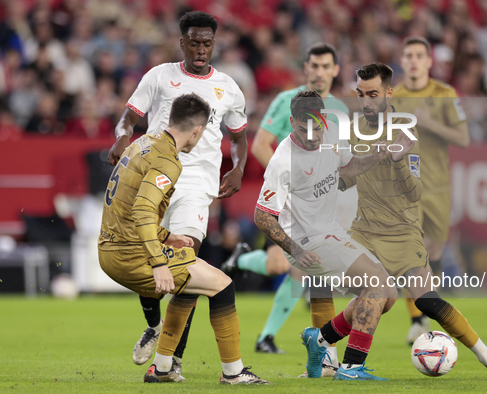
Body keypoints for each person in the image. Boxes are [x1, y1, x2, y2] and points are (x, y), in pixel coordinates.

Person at [340, 62, 487, 378]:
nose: (365, 101)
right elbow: (343, 180)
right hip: (364, 231)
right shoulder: (353, 131)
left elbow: (414, 192)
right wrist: (366, 160)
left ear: (389, 93)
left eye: (372, 94)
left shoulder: (407, 131)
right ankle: (350, 367)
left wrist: (396, 162)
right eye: (360, 94)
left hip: (403, 232)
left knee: (428, 302)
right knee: (377, 293)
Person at [107, 11, 248, 372]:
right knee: (148, 250)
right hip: (157, 170)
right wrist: (123, 135)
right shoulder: (159, 76)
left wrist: (239, 167)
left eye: (207, 43)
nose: (201, 50)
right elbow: (130, 115)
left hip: (197, 182)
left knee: (185, 262)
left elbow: (239, 136)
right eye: (195, 42)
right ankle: (154, 325)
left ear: (213, 44)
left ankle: (170, 361)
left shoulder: (228, 87)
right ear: (182, 42)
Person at [99, 93, 267, 384]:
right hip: (130, 255)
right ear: (197, 131)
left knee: (191, 282)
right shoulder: (168, 160)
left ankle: (163, 368)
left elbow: (126, 207)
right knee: (223, 286)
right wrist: (158, 263)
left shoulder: (141, 143)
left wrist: (168, 236)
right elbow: (142, 210)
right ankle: (234, 373)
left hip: (110, 249)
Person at [254, 90, 399, 380]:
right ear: (292, 122)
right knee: (376, 286)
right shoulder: (283, 161)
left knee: (389, 295)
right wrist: (295, 250)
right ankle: (351, 367)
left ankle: (319, 339)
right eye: (302, 127)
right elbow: (262, 215)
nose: (311, 135)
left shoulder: (333, 134)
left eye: (317, 126)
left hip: (331, 232)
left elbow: (351, 167)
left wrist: (378, 154)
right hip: (307, 241)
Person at [221, 42, 349, 367]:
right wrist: (293, 184)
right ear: (306, 68)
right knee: (288, 266)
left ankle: (267, 335)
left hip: (323, 204)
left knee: (299, 272)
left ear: (335, 70)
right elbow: (263, 144)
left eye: (326, 66)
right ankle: (244, 262)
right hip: (290, 201)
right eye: (314, 66)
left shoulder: (341, 109)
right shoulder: (286, 102)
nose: (319, 72)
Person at [391, 36, 470, 345]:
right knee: (414, 253)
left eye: (418, 56)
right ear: (403, 59)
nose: (412, 60)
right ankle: (417, 319)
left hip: (438, 187)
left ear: (428, 61)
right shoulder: (393, 97)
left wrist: (427, 122)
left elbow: (463, 138)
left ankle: (425, 312)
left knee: (434, 251)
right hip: (405, 187)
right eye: (408, 55)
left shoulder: (444, 94)